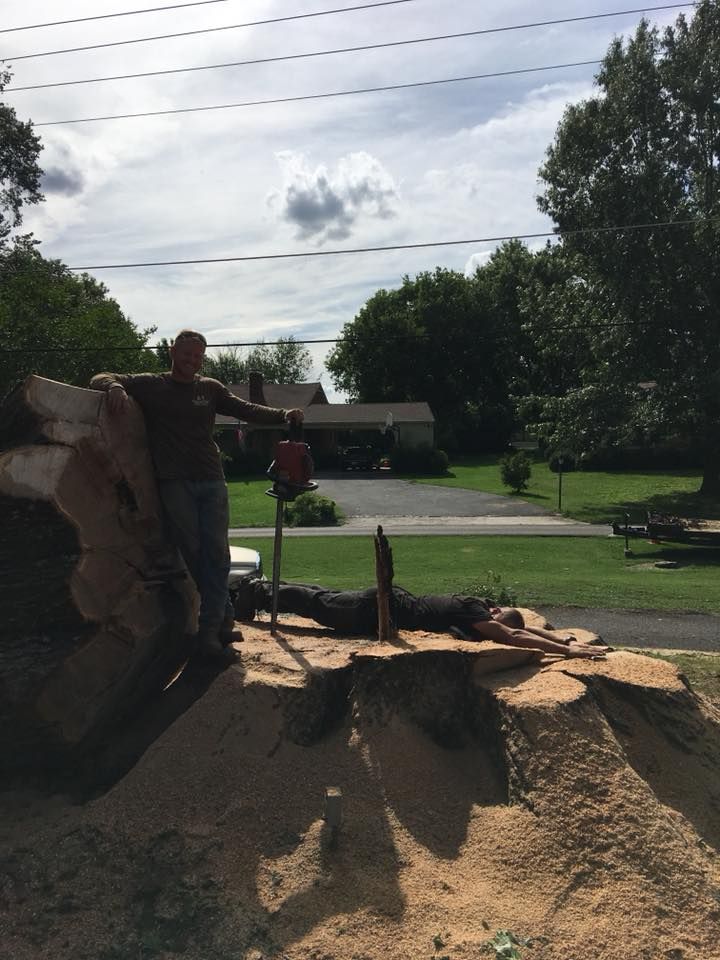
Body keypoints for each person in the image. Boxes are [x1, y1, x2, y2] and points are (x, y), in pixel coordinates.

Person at [91, 329, 304, 662]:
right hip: (174, 483)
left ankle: (209, 633)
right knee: (194, 553)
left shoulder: (210, 388)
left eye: (198, 356)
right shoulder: (153, 385)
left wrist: (282, 415)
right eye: (186, 354)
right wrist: (115, 386)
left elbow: (245, 409)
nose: (192, 361)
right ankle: (224, 621)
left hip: (212, 479)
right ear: (173, 351)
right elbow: (101, 376)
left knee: (217, 555)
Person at [230, 578, 610, 659]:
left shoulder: (473, 612)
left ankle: (267, 589)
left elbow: (520, 631)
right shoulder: (474, 611)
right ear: (493, 612)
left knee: (323, 599)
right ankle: (259, 592)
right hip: (379, 608)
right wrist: (570, 652)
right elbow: (511, 637)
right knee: (320, 605)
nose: (493, 629)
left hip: (388, 605)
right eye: (497, 622)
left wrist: (564, 641)